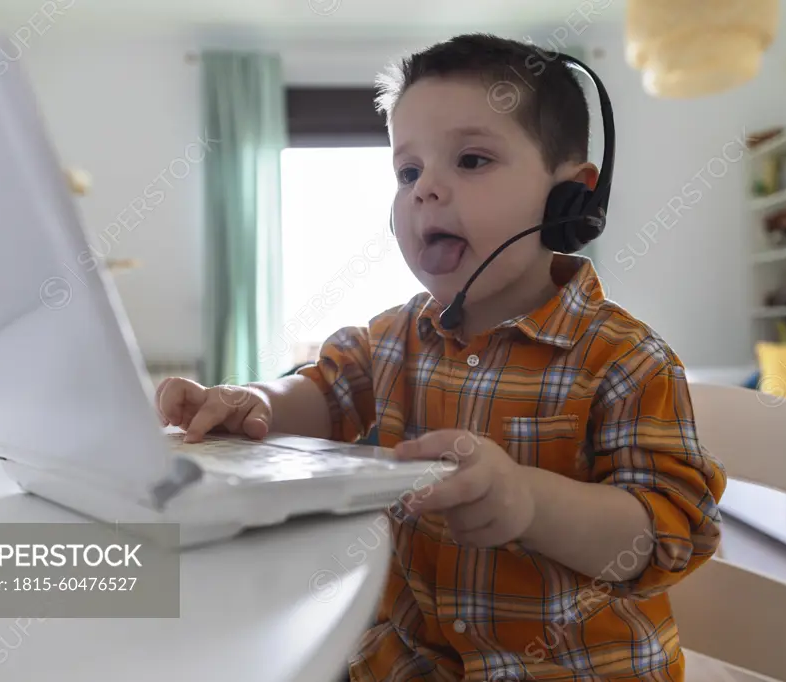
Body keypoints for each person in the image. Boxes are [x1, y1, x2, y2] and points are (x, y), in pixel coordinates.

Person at [157, 33, 727, 682]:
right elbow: (319, 393)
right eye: (408, 171)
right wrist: (248, 403)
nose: (426, 190)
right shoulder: (391, 339)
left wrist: (531, 504)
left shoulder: (626, 360)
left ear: (572, 200)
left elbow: (664, 535)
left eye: (473, 159)